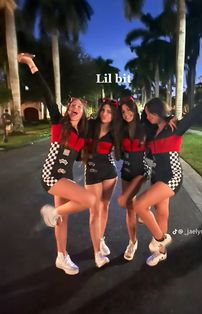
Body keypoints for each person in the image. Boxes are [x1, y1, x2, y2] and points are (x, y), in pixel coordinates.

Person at [17, 53, 97, 275]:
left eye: (79, 106)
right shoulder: (57, 122)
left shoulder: (82, 135)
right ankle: (52, 212)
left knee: (62, 219)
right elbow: (46, 93)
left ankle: (61, 256)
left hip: (66, 177)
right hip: (51, 175)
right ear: (67, 108)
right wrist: (31, 63)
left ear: (83, 114)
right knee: (89, 199)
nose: (74, 107)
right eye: (72, 104)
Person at [133, 79, 202, 266]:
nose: (148, 117)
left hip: (172, 177)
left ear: (158, 111)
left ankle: (160, 239)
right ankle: (161, 253)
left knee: (139, 205)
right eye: (146, 114)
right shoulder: (152, 132)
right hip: (157, 177)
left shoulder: (174, 128)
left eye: (150, 113)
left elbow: (195, 113)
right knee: (161, 214)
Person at [83, 98, 121, 267]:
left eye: (110, 112)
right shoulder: (90, 125)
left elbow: (139, 126)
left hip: (109, 172)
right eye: (103, 110)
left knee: (104, 207)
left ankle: (100, 238)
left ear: (114, 116)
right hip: (91, 171)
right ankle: (97, 252)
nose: (105, 114)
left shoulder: (116, 130)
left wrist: (169, 118)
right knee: (94, 211)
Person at [118, 96, 150, 261]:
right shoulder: (120, 129)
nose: (126, 114)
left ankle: (144, 205)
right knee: (129, 207)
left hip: (141, 171)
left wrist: (169, 117)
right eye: (123, 112)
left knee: (129, 201)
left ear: (134, 109)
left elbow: (159, 119)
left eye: (128, 110)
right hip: (126, 171)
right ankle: (133, 242)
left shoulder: (144, 127)